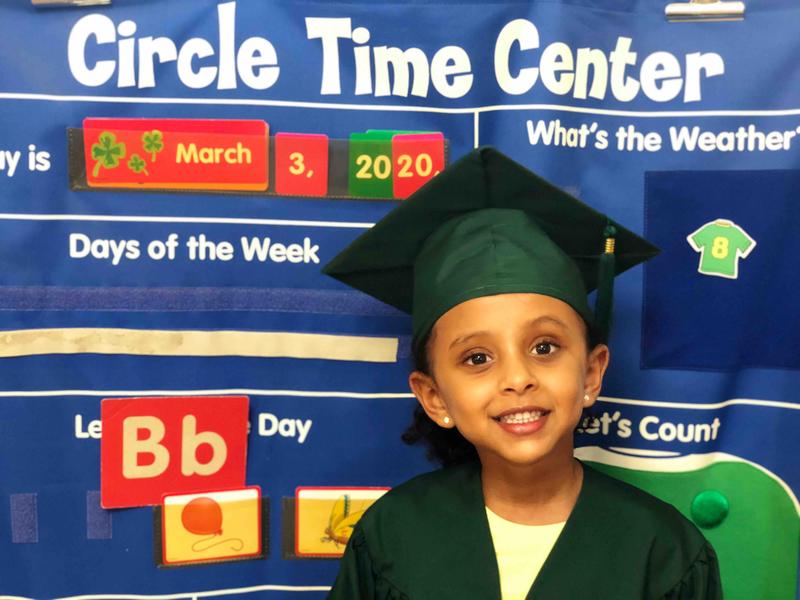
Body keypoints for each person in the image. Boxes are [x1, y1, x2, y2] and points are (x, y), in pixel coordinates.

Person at [323, 147, 721, 599]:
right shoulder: (392, 536)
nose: (517, 378)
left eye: (544, 347)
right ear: (434, 397)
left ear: (591, 373)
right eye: (477, 358)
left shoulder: (664, 552)